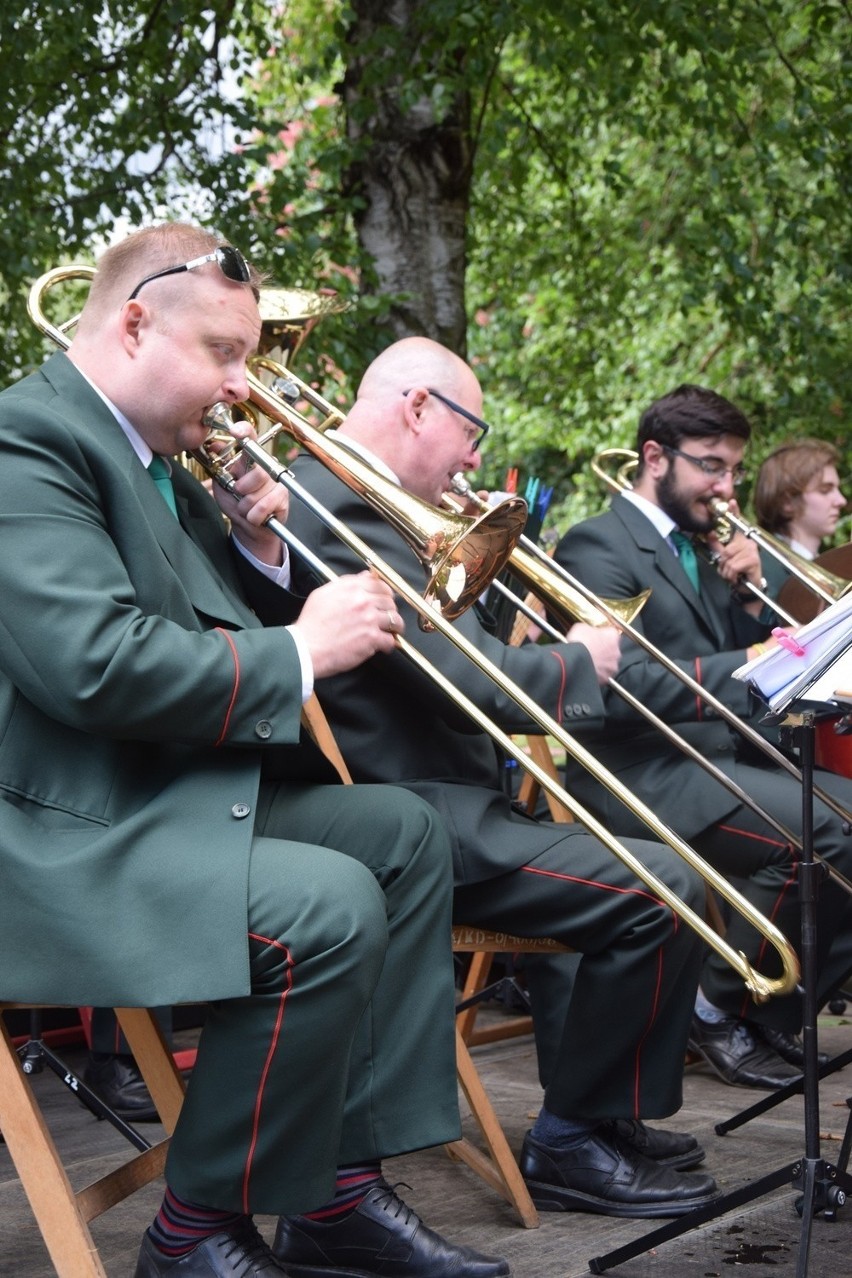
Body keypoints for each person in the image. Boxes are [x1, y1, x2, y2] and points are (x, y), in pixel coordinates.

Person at [0, 223, 510, 1278]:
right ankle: (192, 1232)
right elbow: (93, 666)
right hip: (61, 829)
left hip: (155, 796)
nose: (242, 388)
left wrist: (256, 546)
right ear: (135, 323)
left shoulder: (155, 460)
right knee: (324, 906)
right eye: (226, 354)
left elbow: (202, 626)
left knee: (403, 835)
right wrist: (298, 649)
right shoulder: (26, 438)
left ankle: (335, 1191)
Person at [283, 336, 721, 1221]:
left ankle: (602, 1120)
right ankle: (573, 1137)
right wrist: (583, 661)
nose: (478, 456)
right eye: (471, 431)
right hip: (405, 809)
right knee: (663, 887)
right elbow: (467, 683)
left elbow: (453, 650)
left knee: (668, 877)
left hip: (443, 798)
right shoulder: (342, 502)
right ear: (417, 408)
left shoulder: (372, 500)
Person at [554, 384, 852, 1091]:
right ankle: (719, 1004)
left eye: (733, 472)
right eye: (712, 467)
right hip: (639, 773)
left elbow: (744, 675)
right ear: (655, 457)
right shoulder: (596, 544)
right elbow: (621, 689)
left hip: (710, 760)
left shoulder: (700, 549)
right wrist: (749, 658)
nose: (727, 489)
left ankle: (767, 1011)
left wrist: (751, 606)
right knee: (833, 837)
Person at [753, 438, 847, 598]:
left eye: (837, 489)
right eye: (825, 490)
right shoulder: (763, 569)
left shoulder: (824, 565)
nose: (841, 501)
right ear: (787, 502)